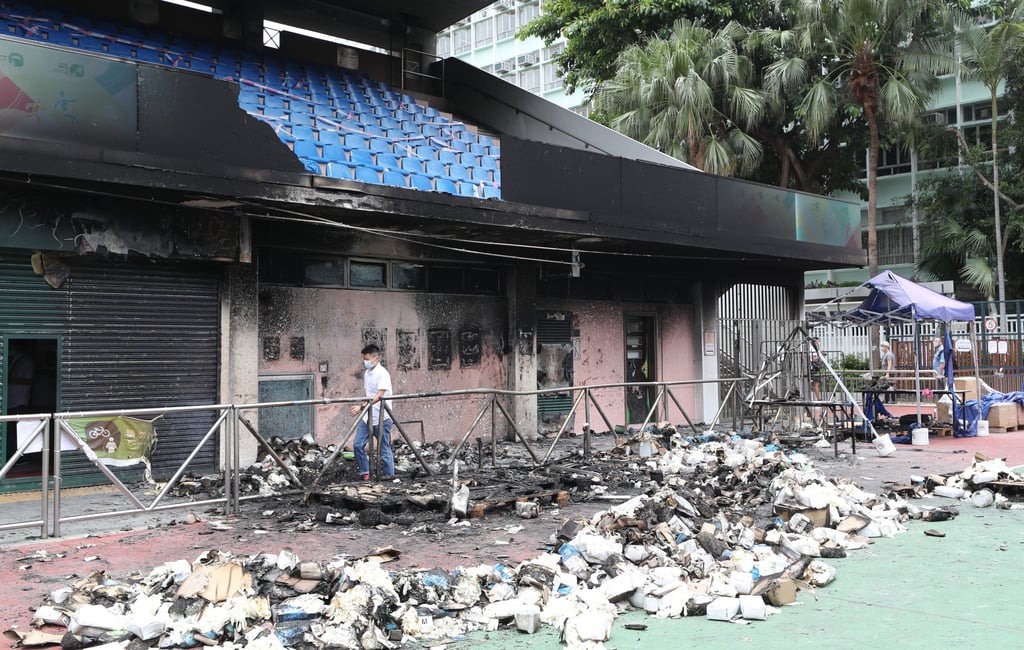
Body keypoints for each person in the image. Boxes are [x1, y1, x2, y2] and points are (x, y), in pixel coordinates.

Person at [348, 344, 394, 480]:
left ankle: (389, 476)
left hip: (382, 416)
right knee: (357, 445)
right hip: (368, 416)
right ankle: (365, 472)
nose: (365, 362)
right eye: (364, 359)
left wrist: (361, 407)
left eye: (367, 359)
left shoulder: (382, 374)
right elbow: (369, 395)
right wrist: (363, 407)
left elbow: (379, 395)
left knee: (383, 448)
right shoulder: (367, 374)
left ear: (376, 358)